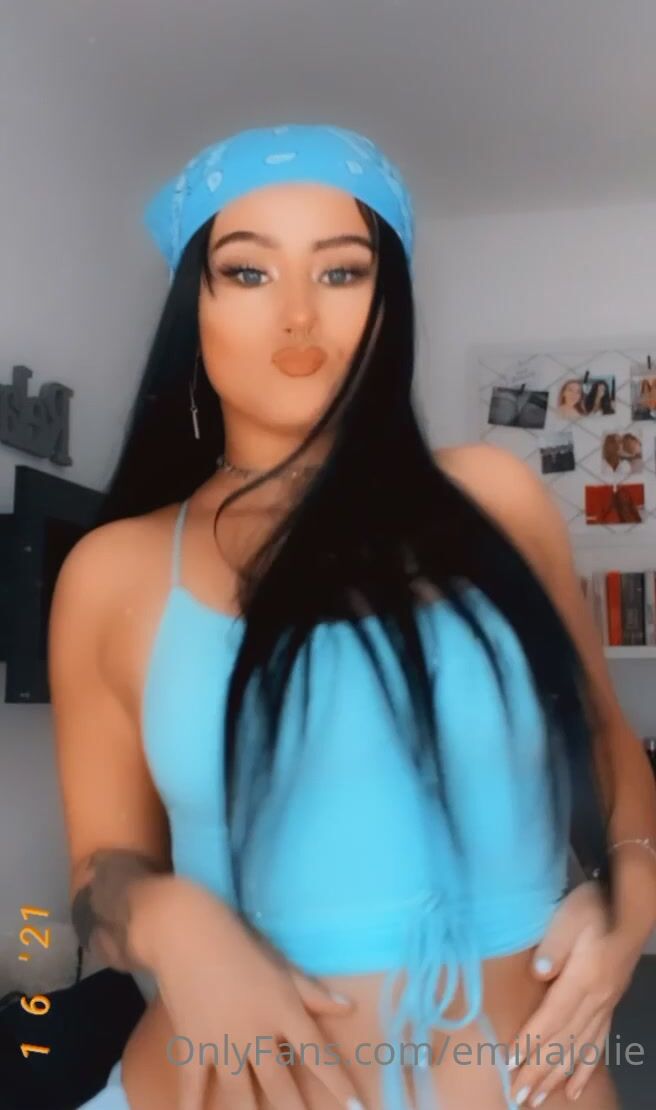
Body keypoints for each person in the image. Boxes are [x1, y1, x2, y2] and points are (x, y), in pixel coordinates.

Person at [48, 124, 656, 1110]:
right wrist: (162, 917)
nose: (298, 313)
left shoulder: (494, 499)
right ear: (192, 306)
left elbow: (608, 750)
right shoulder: (112, 570)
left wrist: (630, 904)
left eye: (342, 272)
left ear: (388, 303)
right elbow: (95, 875)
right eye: (247, 272)